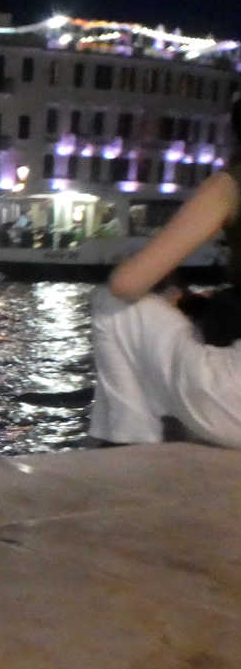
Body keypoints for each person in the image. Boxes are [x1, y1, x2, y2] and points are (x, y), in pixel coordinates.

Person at [89, 102, 241, 447]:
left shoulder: (230, 185)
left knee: (112, 305)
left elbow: (127, 284)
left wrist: (175, 300)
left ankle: (131, 445)